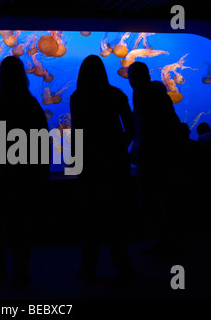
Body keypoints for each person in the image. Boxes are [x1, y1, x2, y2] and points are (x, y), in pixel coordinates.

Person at [0, 56, 49, 287]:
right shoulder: (31, 103)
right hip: (27, 173)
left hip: (1, 172)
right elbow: (42, 138)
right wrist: (42, 171)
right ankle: (21, 273)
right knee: (22, 222)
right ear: (23, 75)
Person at [70, 55, 136, 285]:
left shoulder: (78, 97)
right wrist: (120, 147)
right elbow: (131, 127)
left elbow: (77, 132)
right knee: (118, 212)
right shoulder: (116, 94)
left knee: (91, 214)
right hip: (116, 159)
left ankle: (88, 266)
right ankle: (123, 264)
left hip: (89, 160)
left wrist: (76, 162)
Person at [127, 61, 182, 255]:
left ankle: (160, 241)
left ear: (135, 77)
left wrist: (133, 148)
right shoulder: (159, 92)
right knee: (166, 196)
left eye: (130, 76)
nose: (130, 80)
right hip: (165, 152)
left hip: (151, 153)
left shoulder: (141, 91)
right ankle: (172, 239)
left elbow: (142, 124)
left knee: (150, 197)